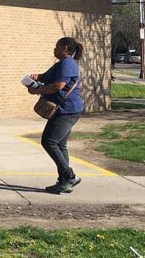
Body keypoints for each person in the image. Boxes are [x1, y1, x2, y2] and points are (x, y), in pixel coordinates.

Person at [27, 37, 84, 194]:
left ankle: (69, 176)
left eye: (56, 46)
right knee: (60, 145)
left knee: (49, 141)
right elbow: (47, 77)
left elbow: (58, 86)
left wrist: (36, 91)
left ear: (65, 48)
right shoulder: (62, 64)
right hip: (67, 109)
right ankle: (64, 182)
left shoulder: (67, 63)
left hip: (66, 110)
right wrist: (36, 77)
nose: (54, 49)